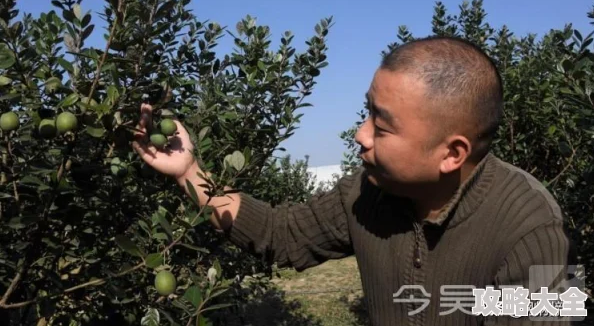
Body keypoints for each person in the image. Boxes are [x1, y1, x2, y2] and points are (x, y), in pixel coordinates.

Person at [132, 36, 579, 325]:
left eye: (381, 127)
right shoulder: (366, 193)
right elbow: (278, 234)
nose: (360, 135)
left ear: (452, 153)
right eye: (367, 111)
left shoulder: (528, 225)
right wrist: (190, 172)